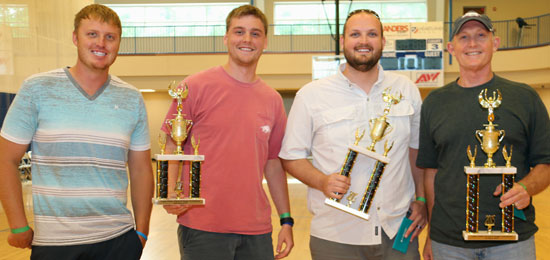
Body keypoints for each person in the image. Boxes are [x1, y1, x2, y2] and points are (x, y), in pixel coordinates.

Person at [0, 4, 154, 259]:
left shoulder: (132, 98)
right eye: (92, 34)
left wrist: (143, 234)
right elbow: (5, 159)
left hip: (119, 240)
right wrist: (18, 224)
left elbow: (140, 169)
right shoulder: (37, 89)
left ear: (118, 43)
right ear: (75, 38)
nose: (101, 43)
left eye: (110, 37)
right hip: (55, 245)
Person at [279, 9, 426, 260]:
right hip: (336, 236)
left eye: (372, 34)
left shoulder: (406, 89)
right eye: (355, 34)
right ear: (343, 41)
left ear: (382, 41)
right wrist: (322, 182)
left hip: (397, 232)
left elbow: (415, 152)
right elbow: (291, 157)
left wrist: (421, 198)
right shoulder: (311, 95)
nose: (364, 41)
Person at [161, 5, 293, 260]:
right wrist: (168, 195)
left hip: (256, 230)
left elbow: (274, 163)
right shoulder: (194, 87)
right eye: (239, 32)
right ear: (226, 38)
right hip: (202, 226)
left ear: (265, 41)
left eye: (255, 33)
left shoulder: (272, 100)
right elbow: (171, 145)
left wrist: (286, 220)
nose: (246, 39)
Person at [417, 11, 550, 260]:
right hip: (449, 243)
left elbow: (546, 162)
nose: (472, 43)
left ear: (495, 44)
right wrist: (433, 234)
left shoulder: (525, 98)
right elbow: (431, 172)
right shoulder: (434, 103)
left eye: (481, 35)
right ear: (451, 48)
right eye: (464, 37)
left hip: (513, 241)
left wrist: (525, 187)